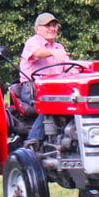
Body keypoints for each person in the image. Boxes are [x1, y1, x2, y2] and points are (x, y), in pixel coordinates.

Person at [20, 12, 70, 145]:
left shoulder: (59, 47)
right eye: (48, 25)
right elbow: (37, 53)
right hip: (32, 88)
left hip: (55, 89)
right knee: (50, 103)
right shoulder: (33, 42)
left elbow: (69, 68)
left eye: (54, 25)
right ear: (37, 29)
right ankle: (32, 143)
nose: (52, 28)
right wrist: (50, 52)